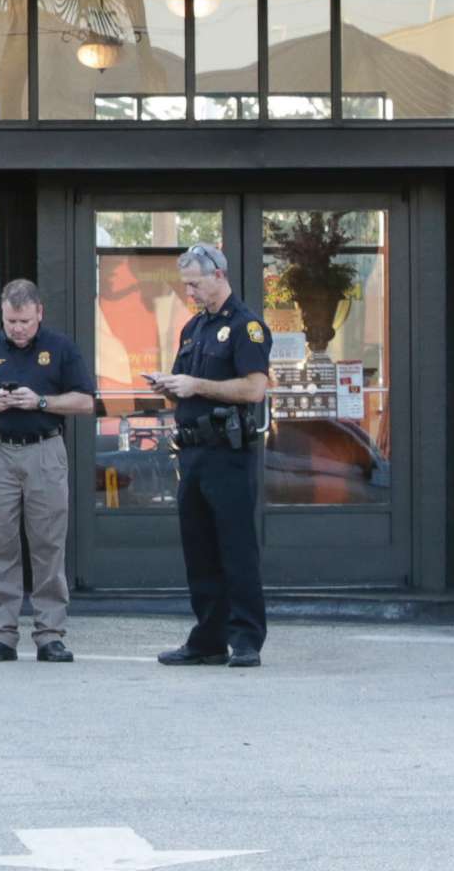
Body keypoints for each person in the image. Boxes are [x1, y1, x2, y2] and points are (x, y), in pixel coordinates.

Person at [0, 278, 93, 663]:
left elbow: (85, 401)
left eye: (25, 321)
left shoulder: (60, 348)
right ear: (3, 313)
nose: (17, 329)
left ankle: (50, 635)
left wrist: (41, 401)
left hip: (45, 451)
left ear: (39, 313)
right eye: (12, 321)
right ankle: (1, 634)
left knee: (48, 544)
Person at [144, 241, 272, 669]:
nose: (190, 293)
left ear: (219, 274)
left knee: (235, 548)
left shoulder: (245, 326)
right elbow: (185, 390)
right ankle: (208, 639)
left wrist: (195, 385)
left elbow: (255, 388)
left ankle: (246, 638)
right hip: (193, 452)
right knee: (199, 549)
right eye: (186, 286)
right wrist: (169, 387)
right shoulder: (193, 329)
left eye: (195, 284)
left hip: (228, 452)